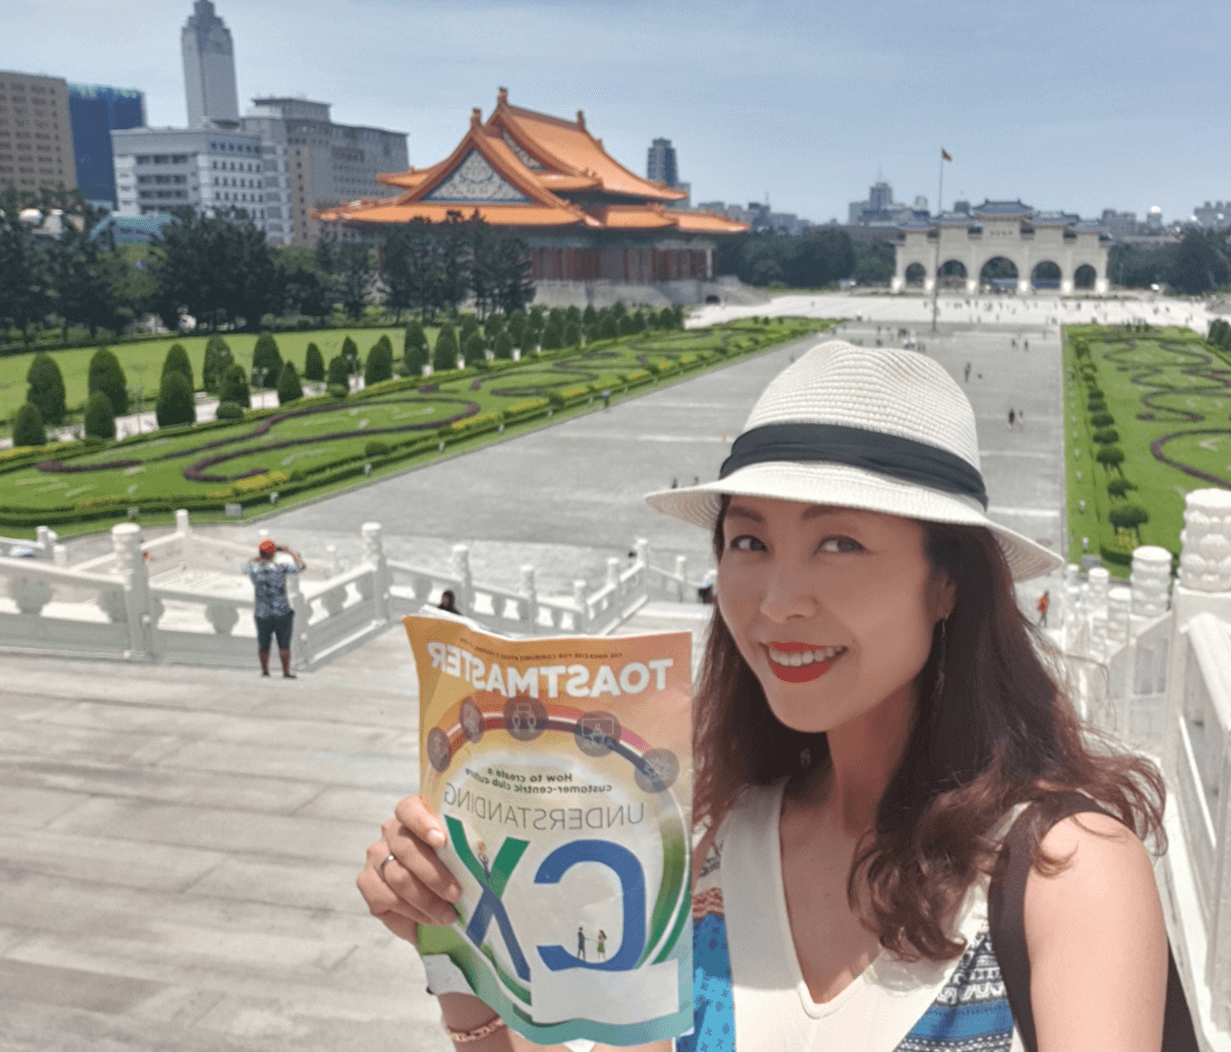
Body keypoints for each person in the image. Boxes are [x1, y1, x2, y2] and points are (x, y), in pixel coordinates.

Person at [358, 342, 1169, 1050]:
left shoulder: (1066, 875)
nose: (778, 600)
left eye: (839, 542)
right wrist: (462, 954)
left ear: (948, 582)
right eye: (749, 540)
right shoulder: (709, 845)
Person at [244, 539, 304, 678]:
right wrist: (290, 552)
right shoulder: (280, 567)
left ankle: (265, 671)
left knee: (263, 644)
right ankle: (286, 672)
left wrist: (259, 557)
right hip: (281, 611)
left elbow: (247, 564)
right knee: (284, 644)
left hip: (262, 611)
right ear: (273, 553)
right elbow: (301, 566)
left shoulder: (253, 568)